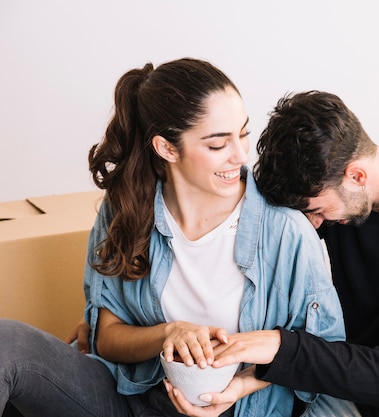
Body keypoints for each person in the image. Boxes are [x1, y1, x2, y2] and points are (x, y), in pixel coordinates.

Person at [0, 61, 345, 417]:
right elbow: (105, 337)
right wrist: (170, 333)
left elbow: (321, 351)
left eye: (242, 134)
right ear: (167, 148)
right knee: (5, 342)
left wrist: (239, 386)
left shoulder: (285, 230)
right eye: (217, 144)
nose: (241, 155)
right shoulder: (126, 210)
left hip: (236, 409)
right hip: (131, 397)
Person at [207, 90, 379, 417]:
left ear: (356, 176)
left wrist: (280, 348)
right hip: (329, 377)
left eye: (315, 211)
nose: (312, 225)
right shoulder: (340, 192)